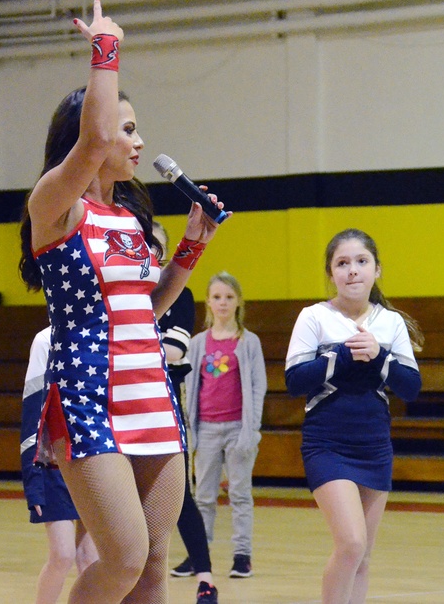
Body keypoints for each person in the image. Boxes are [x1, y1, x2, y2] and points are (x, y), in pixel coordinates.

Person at [17, 0, 224, 603]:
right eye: (128, 130)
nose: (135, 142)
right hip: (90, 396)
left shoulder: (128, 217)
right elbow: (95, 138)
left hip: (152, 393)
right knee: (124, 556)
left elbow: (149, 307)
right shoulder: (56, 204)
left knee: (156, 565)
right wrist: (105, 49)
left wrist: (191, 247)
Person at [284, 228, 423, 604]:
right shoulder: (313, 317)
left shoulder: (390, 322)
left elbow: (411, 387)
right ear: (331, 273)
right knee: (351, 543)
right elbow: (295, 382)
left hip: (375, 445)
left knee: (363, 557)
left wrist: (380, 355)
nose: (352, 271)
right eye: (342, 263)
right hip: (326, 443)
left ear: (377, 269)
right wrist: (341, 356)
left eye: (361, 262)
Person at [182, 271, 266, 580]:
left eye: (229, 297)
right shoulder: (197, 343)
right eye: (217, 297)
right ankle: (198, 556)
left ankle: (242, 556)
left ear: (238, 302)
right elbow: (190, 389)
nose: (223, 303)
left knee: (240, 495)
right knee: (203, 496)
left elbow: (258, 387)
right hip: (206, 430)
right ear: (208, 302)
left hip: (237, 429)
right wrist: (191, 431)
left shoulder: (248, 343)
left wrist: (251, 430)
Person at [153, 223, 218, 604]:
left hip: (164, 403)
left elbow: (175, 349)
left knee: (179, 496)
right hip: (115, 405)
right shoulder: (120, 293)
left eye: (160, 249)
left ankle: (205, 577)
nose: (152, 255)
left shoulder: (180, 294)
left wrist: (126, 346)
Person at [21, 327, 100, 603]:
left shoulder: (99, 334)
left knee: (91, 558)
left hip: (94, 462)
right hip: (54, 467)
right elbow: (32, 408)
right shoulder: (44, 340)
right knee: (62, 555)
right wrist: (32, 480)